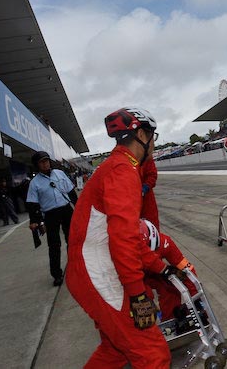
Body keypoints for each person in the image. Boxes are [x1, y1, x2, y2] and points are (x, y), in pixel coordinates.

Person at [66, 107, 170, 368]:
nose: (155, 144)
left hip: (91, 267)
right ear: (142, 135)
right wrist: (137, 294)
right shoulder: (123, 170)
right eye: (153, 137)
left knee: (116, 350)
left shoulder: (116, 166)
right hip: (98, 270)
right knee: (152, 353)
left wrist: (161, 267)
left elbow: (130, 235)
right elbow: (123, 239)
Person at [26, 151, 77, 286]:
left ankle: (76, 268)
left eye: (47, 161)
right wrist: (34, 221)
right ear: (37, 165)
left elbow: (71, 191)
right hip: (50, 214)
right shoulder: (34, 183)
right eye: (42, 162)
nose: (45, 163)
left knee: (72, 240)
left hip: (66, 210)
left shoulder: (59, 174)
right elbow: (32, 204)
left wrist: (79, 207)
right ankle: (57, 275)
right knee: (54, 245)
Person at [140, 219, 197, 321]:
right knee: (143, 302)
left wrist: (196, 299)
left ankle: (170, 321)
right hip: (132, 275)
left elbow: (188, 270)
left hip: (154, 273)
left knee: (171, 285)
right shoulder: (122, 249)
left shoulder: (165, 242)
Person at [140, 155, 159, 229]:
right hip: (129, 203)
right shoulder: (121, 159)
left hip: (146, 201)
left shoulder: (146, 156)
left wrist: (144, 188)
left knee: (152, 228)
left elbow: (152, 175)